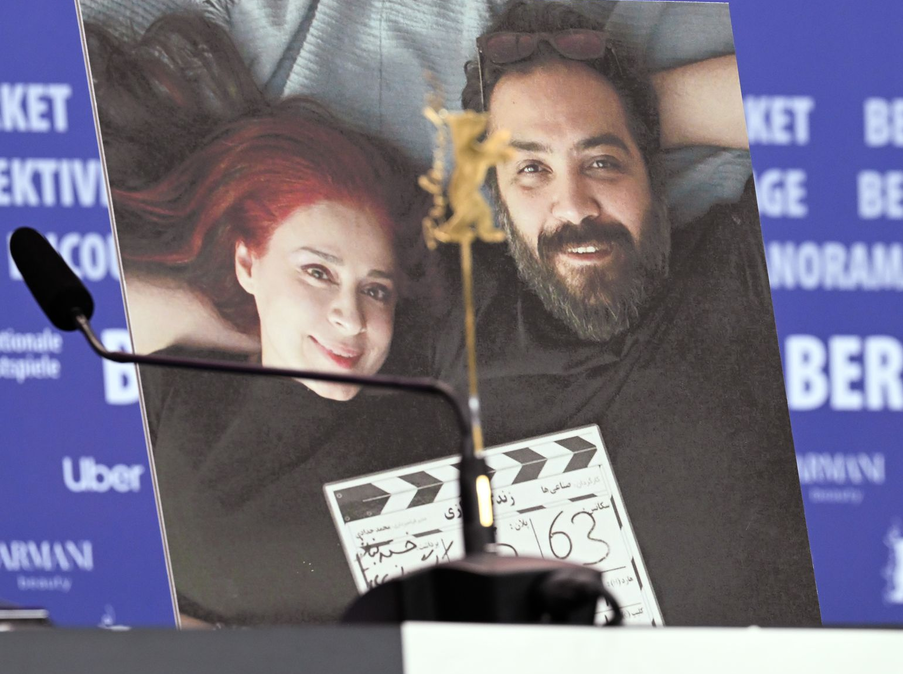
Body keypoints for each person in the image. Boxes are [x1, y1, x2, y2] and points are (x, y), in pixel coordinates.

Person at [441, 0, 821, 627]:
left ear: (653, 167)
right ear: (497, 200)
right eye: (531, 169)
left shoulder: (741, 269)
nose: (574, 205)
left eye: (602, 162)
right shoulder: (455, 312)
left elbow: (857, 97)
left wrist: (637, 108)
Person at [89, 15, 458, 625]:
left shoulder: (426, 377)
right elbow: (103, 302)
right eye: (317, 272)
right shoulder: (180, 381)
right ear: (246, 261)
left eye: (376, 289)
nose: (351, 316)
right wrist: (265, 322)